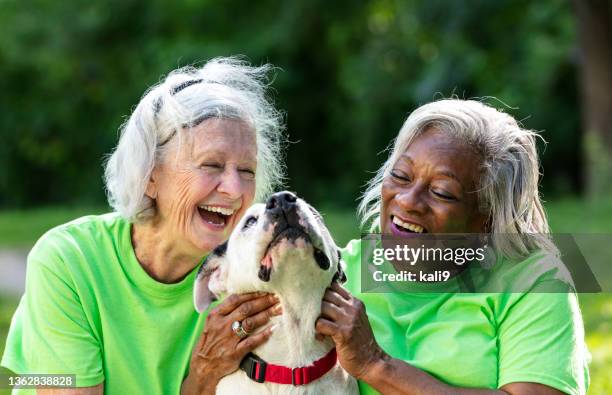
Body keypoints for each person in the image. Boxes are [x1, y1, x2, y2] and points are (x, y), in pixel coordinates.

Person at [1, 57, 286, 394]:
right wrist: (203, 377)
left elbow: (352, 264)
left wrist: (367, 360)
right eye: (211, 165)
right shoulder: (67, 260)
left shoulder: (255, 275)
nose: (235, 190)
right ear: (150, 175)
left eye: (247, 171)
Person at [316, 99, 590, 395]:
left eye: (442, 193)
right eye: (401, 176)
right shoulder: (338, 272)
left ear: (488, 220)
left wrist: (375, 364)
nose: (407, 200)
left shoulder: (532, 282)